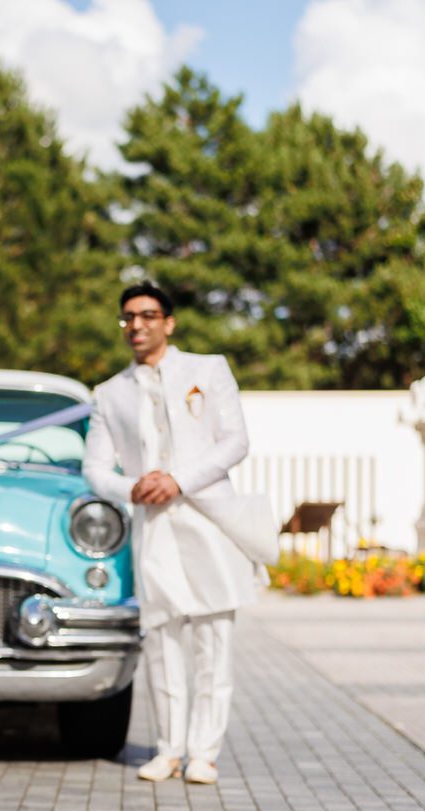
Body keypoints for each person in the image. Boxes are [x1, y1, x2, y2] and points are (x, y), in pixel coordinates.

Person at [82, 283, 262, 785]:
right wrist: (132, 486)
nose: (136, 326)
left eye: (147, 315)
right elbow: (95, 468)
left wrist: (178, 479)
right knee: (160, 637)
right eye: (128, 319)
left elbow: (236, 441)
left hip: (209, 519)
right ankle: (168, 748)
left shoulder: (209, 370)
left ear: (169, 321)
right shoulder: (110, 393)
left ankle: (203, 751)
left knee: (212, 638)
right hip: (154, 526)